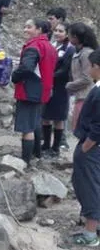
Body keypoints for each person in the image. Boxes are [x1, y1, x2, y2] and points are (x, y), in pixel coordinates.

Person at [12, 19, 57, 166]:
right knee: (35, 122)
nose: (25, 30)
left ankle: (25, 161)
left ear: (39, 30)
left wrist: (15, 76)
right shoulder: (49, 46)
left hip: (29, 90)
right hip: (43, 90)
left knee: (27, 128)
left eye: (29, 27)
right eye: (25, 26)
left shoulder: (34, 46)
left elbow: (26, 68)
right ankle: (37, 154)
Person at [70, 49, 100, 247]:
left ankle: (90, 233)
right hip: (92, 145)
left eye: (90, 65)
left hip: (92, 147)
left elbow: (98, 126)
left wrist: (86, 147)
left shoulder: (98, 91)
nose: (88, 69)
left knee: (89, 186)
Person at [41, 22, 75, 157]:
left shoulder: (69, 49)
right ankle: (46, 145)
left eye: (61, 31)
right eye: (56, 30)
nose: (57, 33)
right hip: (48, 84)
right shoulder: (51, 45)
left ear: (67, 34)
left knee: (58, 118)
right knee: (45, 116)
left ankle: (55, 148)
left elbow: (65, 70)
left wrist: (49, 76)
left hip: (61, 87)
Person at [67, 22, 99, 132]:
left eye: (69, 34)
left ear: (75, 37)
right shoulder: (79, 52)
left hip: (85, 96)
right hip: (80, 95)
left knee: (83, 130)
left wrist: (69, 85)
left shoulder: (86, 54)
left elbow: (87, 77)